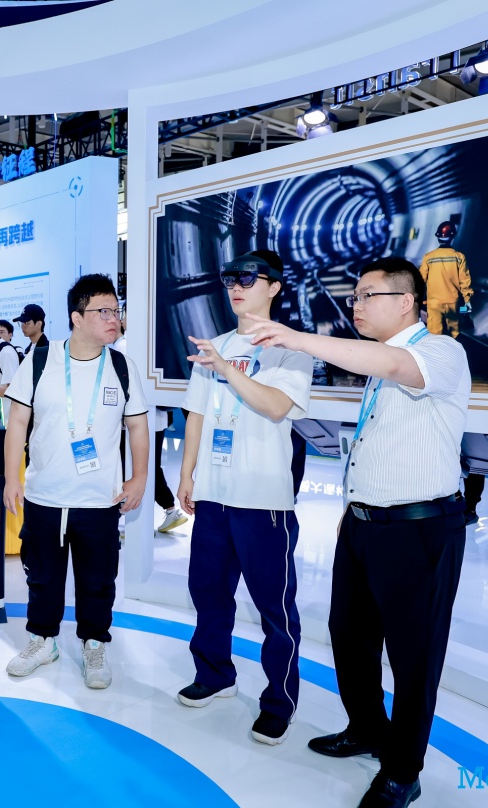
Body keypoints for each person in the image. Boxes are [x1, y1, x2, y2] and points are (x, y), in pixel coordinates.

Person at [247, 256, 470, 808]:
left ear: (407, 301)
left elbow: (395, 364)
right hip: (364, 526)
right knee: (349, 637)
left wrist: (295, 338)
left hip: (419, 529)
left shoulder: (441, 352)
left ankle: (402, 772)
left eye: (368, 295)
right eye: (356, 296)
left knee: (414, 657)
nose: (357, 305)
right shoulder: (378, 364)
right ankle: (368, 728)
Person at [173, 252, 311, 749]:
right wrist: (186, 474)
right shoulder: (218, 345)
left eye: (247, 279)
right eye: (230, 279)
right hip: (214, 496)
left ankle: (279, 702)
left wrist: (226, 370)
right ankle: (214, 674)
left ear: (273, 287)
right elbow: (196, 414)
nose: (236, 287)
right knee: (208, 593)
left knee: (274, 608)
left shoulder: (291, 348)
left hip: (263, 500)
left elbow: (275, 406)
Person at [2, 274, 149, 689]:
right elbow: (17, 422)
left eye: (116, 310)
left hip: (100, 499)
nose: (114, 319)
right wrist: (13, 478)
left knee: (98, 580)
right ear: (76, 317)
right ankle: (42, 641)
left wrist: (139, 476)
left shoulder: (121, 366)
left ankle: (94, 643)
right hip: (45, 496)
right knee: (42, 577)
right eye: (103, 311)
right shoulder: (41, 360)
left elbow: (138, 426)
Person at [418, 221, 472, 338]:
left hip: (434, 303)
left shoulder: (429, 257)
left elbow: (420, 280)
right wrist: (467, 300)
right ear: (452, 237)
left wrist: (420, 300)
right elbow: (465, 281)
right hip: (453, 303)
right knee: (454, 335)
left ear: (438, 237)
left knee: (435, 335)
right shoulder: (459, 257)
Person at [154, 408, 187, 532]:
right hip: (153, 420)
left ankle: (138, 524)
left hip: (145, 419)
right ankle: (170, 510)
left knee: (147, 469)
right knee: (150, 468)